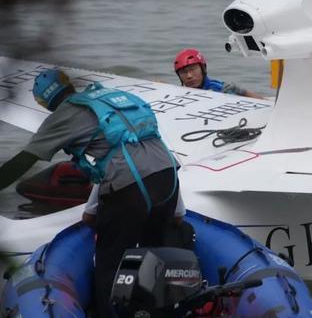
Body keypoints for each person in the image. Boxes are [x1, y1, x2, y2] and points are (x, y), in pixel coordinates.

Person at [0, 69, 181, 317]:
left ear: (42, 101)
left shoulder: (63, 116)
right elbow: (131, 147)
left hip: (131, 189)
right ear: (69, 85)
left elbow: (24, 161)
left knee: (109, 264)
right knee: (155, 256)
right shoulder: (107, 97)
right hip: (168, 178)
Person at [174, 48, 265, 99]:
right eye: (183, 72)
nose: (189, 76)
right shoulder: (178, 91)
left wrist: (242, 92)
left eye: (192, 69)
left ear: (203, 69)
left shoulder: (218, 89)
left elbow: (263, 102)